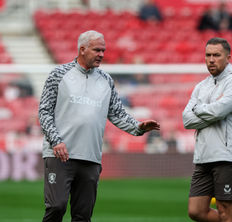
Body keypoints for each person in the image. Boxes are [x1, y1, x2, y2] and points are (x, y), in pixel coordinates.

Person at [38, 30, 160, 222]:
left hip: (91, 158)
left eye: (103, 50)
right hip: (60, 154)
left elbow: (117, 113)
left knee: (83, 216)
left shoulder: (106, 80)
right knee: (56, 207)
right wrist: (56, 141)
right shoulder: (58, 74)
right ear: (82, 49)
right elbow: (44, 112)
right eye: (97, 50)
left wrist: (139, 127)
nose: (102, 54)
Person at [182, 37, 232, 222]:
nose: (211, 59)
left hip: (226, 156)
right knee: (196, 211)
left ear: (228, 57)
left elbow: (218, 112)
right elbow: (186, 120)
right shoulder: (202, 85)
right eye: (208, 55)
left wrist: (199, 109)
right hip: (203, 156)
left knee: (225, 211)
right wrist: (211, 112)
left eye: (216, 55)